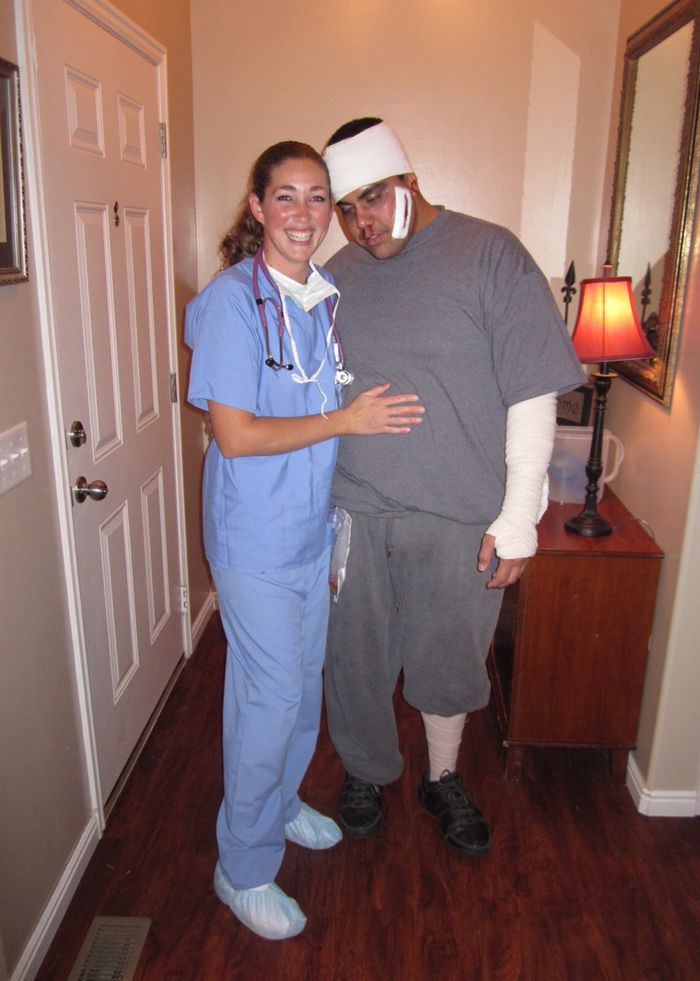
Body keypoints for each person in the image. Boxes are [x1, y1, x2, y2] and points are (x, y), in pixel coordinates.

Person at [321, 119, 585, 857]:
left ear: (408, 182)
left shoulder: (490, 254)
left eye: (372, 197)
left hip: (460, 511)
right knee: (356, 656)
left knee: (450, 656)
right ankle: (366, 772)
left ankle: (442, 776)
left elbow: (533, 391)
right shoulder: (337, 277)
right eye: (346, 207)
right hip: (357, 508)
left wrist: (520, 515)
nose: (361, 221)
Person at [184, 141, 424, 940]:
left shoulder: (320, 298)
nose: (304, 214)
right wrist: (346, 420)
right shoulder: (230, 303)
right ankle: (241, 865)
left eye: (318, 198)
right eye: (285, 197)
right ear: (256, 207)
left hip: (310, 531)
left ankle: (278, 803)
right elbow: (238, 433)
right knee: (272, 695)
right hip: (252, 535)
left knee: (297, 690)